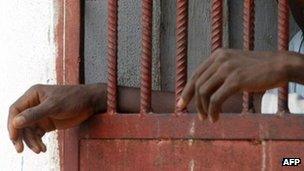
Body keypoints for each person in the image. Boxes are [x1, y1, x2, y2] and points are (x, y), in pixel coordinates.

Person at [7, 0, 304, 154]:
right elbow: (241, 107)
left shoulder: (292, 56)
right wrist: (97, 96)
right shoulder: (298, 42)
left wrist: (290, 66)